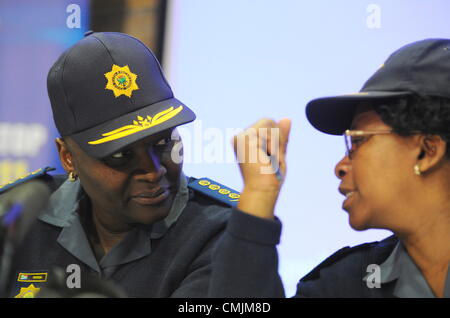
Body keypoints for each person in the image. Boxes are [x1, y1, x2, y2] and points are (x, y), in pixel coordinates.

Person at [0, 31, 286, 298]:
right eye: (120, 155)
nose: (153, 171)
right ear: (68, 157)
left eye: (163, 143)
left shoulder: (222, 234)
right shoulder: (19, 220)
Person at [225, 38, 450, 297]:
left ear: (427, 151)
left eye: (357, 140)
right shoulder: (344, 285)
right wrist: (258, 195)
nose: (339, 167)